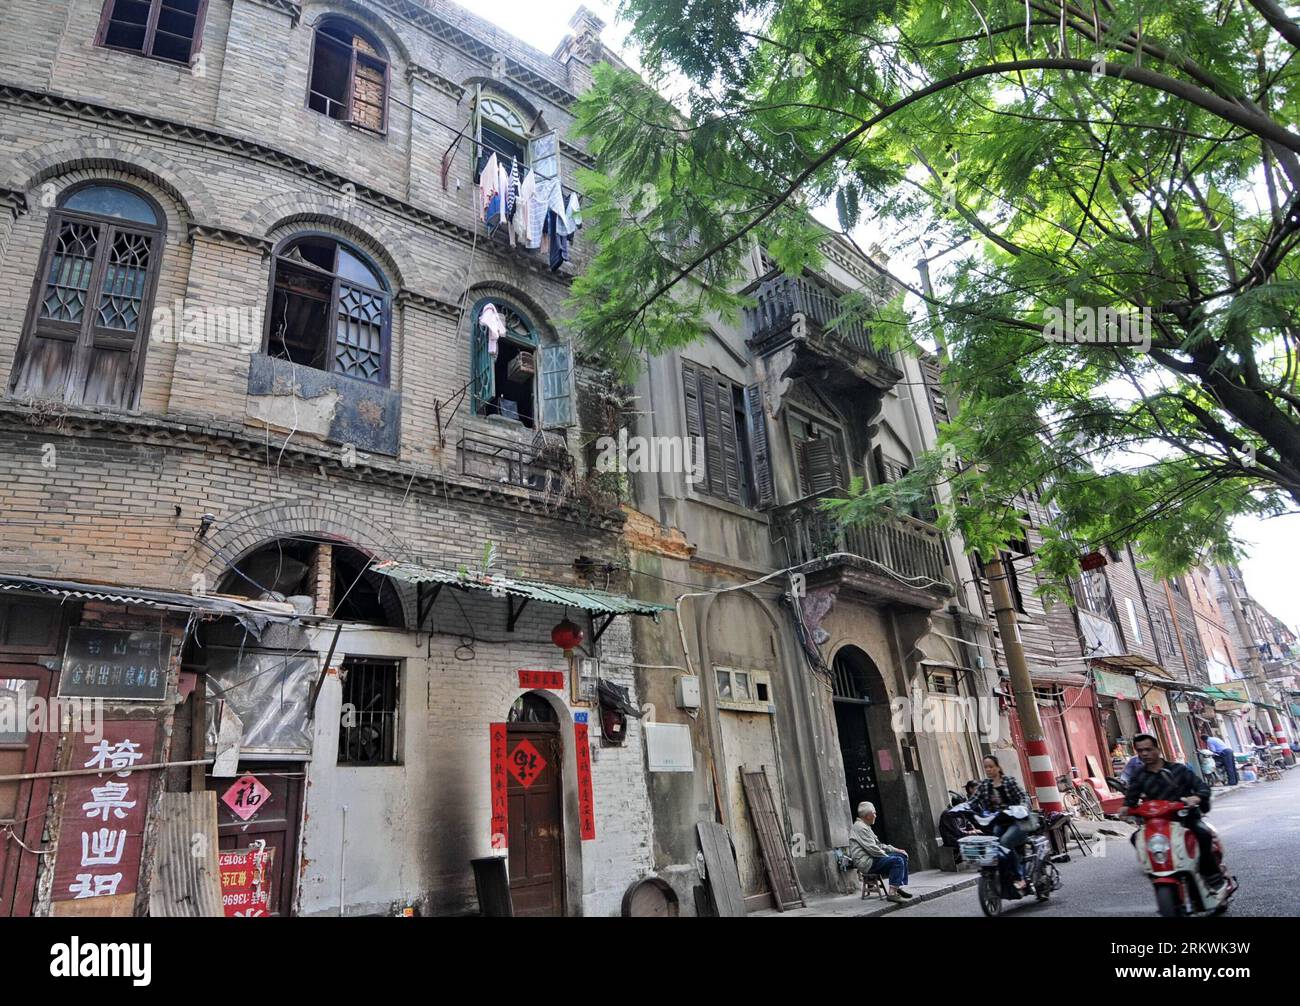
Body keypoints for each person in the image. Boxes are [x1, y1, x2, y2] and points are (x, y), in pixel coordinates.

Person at [1124, 733, 1224, 888]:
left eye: (1148, 749)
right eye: (1140, 750)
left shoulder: (1178, 770)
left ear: (1158, 749)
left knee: (1203, 834)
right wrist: (1126, 808)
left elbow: (1202, 787)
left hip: (1185, 819)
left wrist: (1196, 798)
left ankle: (1212, 874)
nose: (1144, 753)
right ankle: (1154, 870)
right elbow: (1131, 798)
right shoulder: (1139, 775)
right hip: (1157, 824)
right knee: (1135, 838)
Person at [968, 754, 1032, 890]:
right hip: (999, 822)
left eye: (991, 766)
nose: (988, 770)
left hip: (1017, 822)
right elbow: (973, 801)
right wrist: (961, 809)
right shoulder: (985, 785)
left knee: (1005, 842)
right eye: (986, 767)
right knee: (993, 844)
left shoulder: (1009, 781)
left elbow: (1023, 797)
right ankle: (1002, 874)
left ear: (998, 767)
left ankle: (1019, 876)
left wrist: (1021, 807)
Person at [848, 802, 912, 902]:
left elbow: (879, 845)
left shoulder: (865, 826)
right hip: (867, 862)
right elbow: (873, 849)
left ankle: (897, 886)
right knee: (897, 860)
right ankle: (892, 894)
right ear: (868, 815)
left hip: (873, 858)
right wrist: (888, 857)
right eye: (874, 813)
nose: (875, 815)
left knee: (901, 855)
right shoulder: (860, 828)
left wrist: (896, 850)